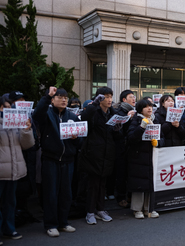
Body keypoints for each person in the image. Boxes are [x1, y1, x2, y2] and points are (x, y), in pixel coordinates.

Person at [33, 87, 81, 237]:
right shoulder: (46, 114)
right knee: (51, 194)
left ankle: (63, 222)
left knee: (66, 194)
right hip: (50, 160)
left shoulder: (72, 116)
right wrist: (47, 96)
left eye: (65, 97)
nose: (64, 100)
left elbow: (81, 141)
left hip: (68, 160)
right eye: (59, 97)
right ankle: (51, 224)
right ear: (53, 100)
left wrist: (76, 138)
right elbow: (36, 115)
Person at [80, 87, 122, 225]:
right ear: (99, 98)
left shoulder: (112, 113)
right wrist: (94, 104)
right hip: (93, 152)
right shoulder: (93, 111)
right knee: (93, 184)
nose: (109, 99)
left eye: (110, 96)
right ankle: (90, 211)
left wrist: (117, 130)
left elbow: (116, 136)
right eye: (106, 96)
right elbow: (84, 119)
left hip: (108, 152)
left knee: (102, 184)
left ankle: (101, 209)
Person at [0, 97, 34, 243]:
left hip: (13, 170)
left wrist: (26, 130)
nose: (8, 111)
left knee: (10, 203)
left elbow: (27, 145)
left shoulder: (16, 123)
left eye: (10, 108)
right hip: (2, 170)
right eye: (4, 108)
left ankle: (9, 229)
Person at [127, 99, 162, 219]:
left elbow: (162, 137)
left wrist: (158, 142)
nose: (149, 108)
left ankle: (149, 208)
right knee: (139, 183)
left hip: (152, 155)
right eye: (146, 106)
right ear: (140, 109)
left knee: (150, 182)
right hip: (138, 156)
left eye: (151, 106)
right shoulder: (136, 120)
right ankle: (137, 209)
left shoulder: (155, 119)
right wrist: (141, 127)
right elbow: (131, 138)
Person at [107, 89, 136, 207]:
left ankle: (130, 195)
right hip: (120, 148)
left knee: (131, 172)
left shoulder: (136, 111)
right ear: (124, 100)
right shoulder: (118, 112)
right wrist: (127, 119)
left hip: (131, 147)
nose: (134, 99)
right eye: (131, 97)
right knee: (121, 173)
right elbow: (117, 131)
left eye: (134, 97)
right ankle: (121, 197)